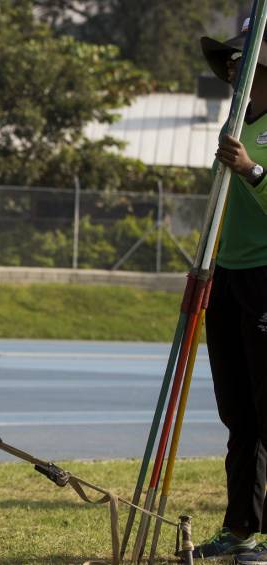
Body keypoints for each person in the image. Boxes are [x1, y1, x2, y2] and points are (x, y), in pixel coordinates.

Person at [194, 19, 267, 562]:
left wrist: (253, 170)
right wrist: (205, 263)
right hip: (227, 275)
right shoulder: (234, 122)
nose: (234, 67)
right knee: (238, 412)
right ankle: (241, 527)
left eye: (245, 58)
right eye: (232, 59)